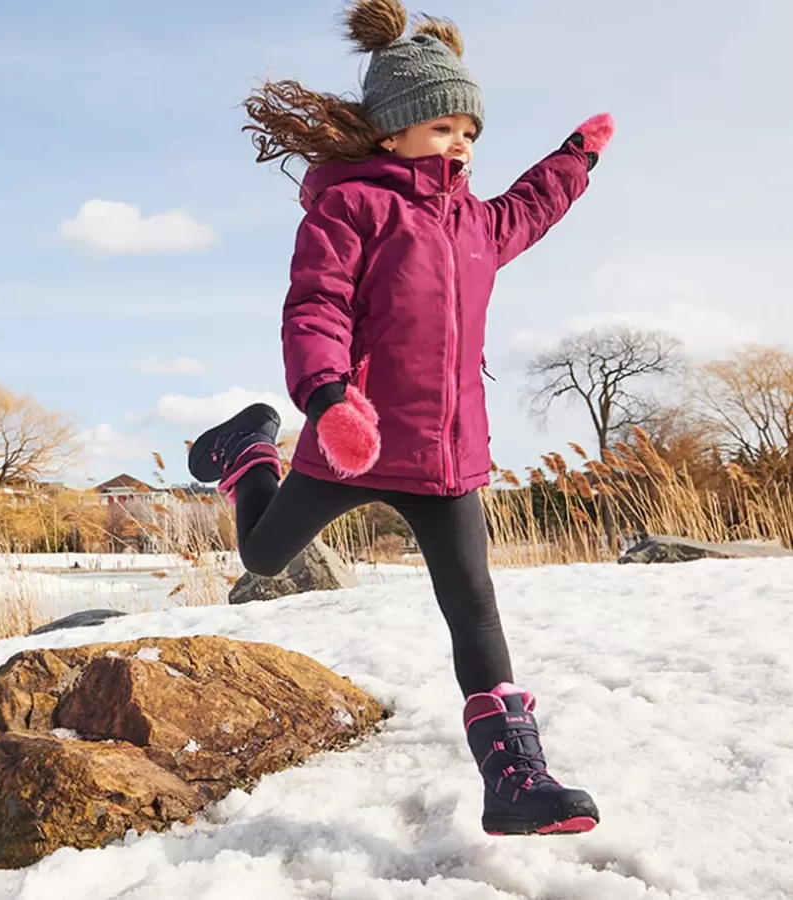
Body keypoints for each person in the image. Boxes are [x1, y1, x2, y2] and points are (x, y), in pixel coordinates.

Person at [188, 0, 614, 836]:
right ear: (391, 132)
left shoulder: (476, 223)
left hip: (444, 456)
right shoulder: (352, 208)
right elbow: (314, 306)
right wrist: (325, 397)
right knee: (265, 554)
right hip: (354, 436)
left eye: (469, 131)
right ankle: (251, 453)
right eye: (440, 126)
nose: (458, 143)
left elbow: (532, 205)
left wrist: (575, 159)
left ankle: (515, 780)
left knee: (474, 606)